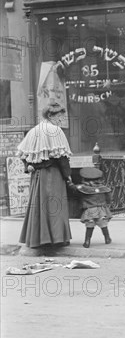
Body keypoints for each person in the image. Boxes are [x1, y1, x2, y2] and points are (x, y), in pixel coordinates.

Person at [17, 102, 72, 249]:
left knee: (39, 206)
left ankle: (39, 239)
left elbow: (23, 153)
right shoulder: (56, 131)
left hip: (37, 176)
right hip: (53, 174)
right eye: (59, 116)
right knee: (55, 205)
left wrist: (27, 166)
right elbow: (61, 157)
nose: (61, 119)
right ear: (50, 115)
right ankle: (57, 239)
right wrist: (68, 175)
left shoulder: (34, 130)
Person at [70, 167, 112, 248]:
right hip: (101, 210)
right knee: (103, 225)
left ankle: (87, 241)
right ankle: (107, 238)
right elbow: (109, 199)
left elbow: (73, 188)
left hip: (89, 210)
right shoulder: (104, 188)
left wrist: (69, 182)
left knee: (89, 226)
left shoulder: (83, 188)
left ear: (84, 178)